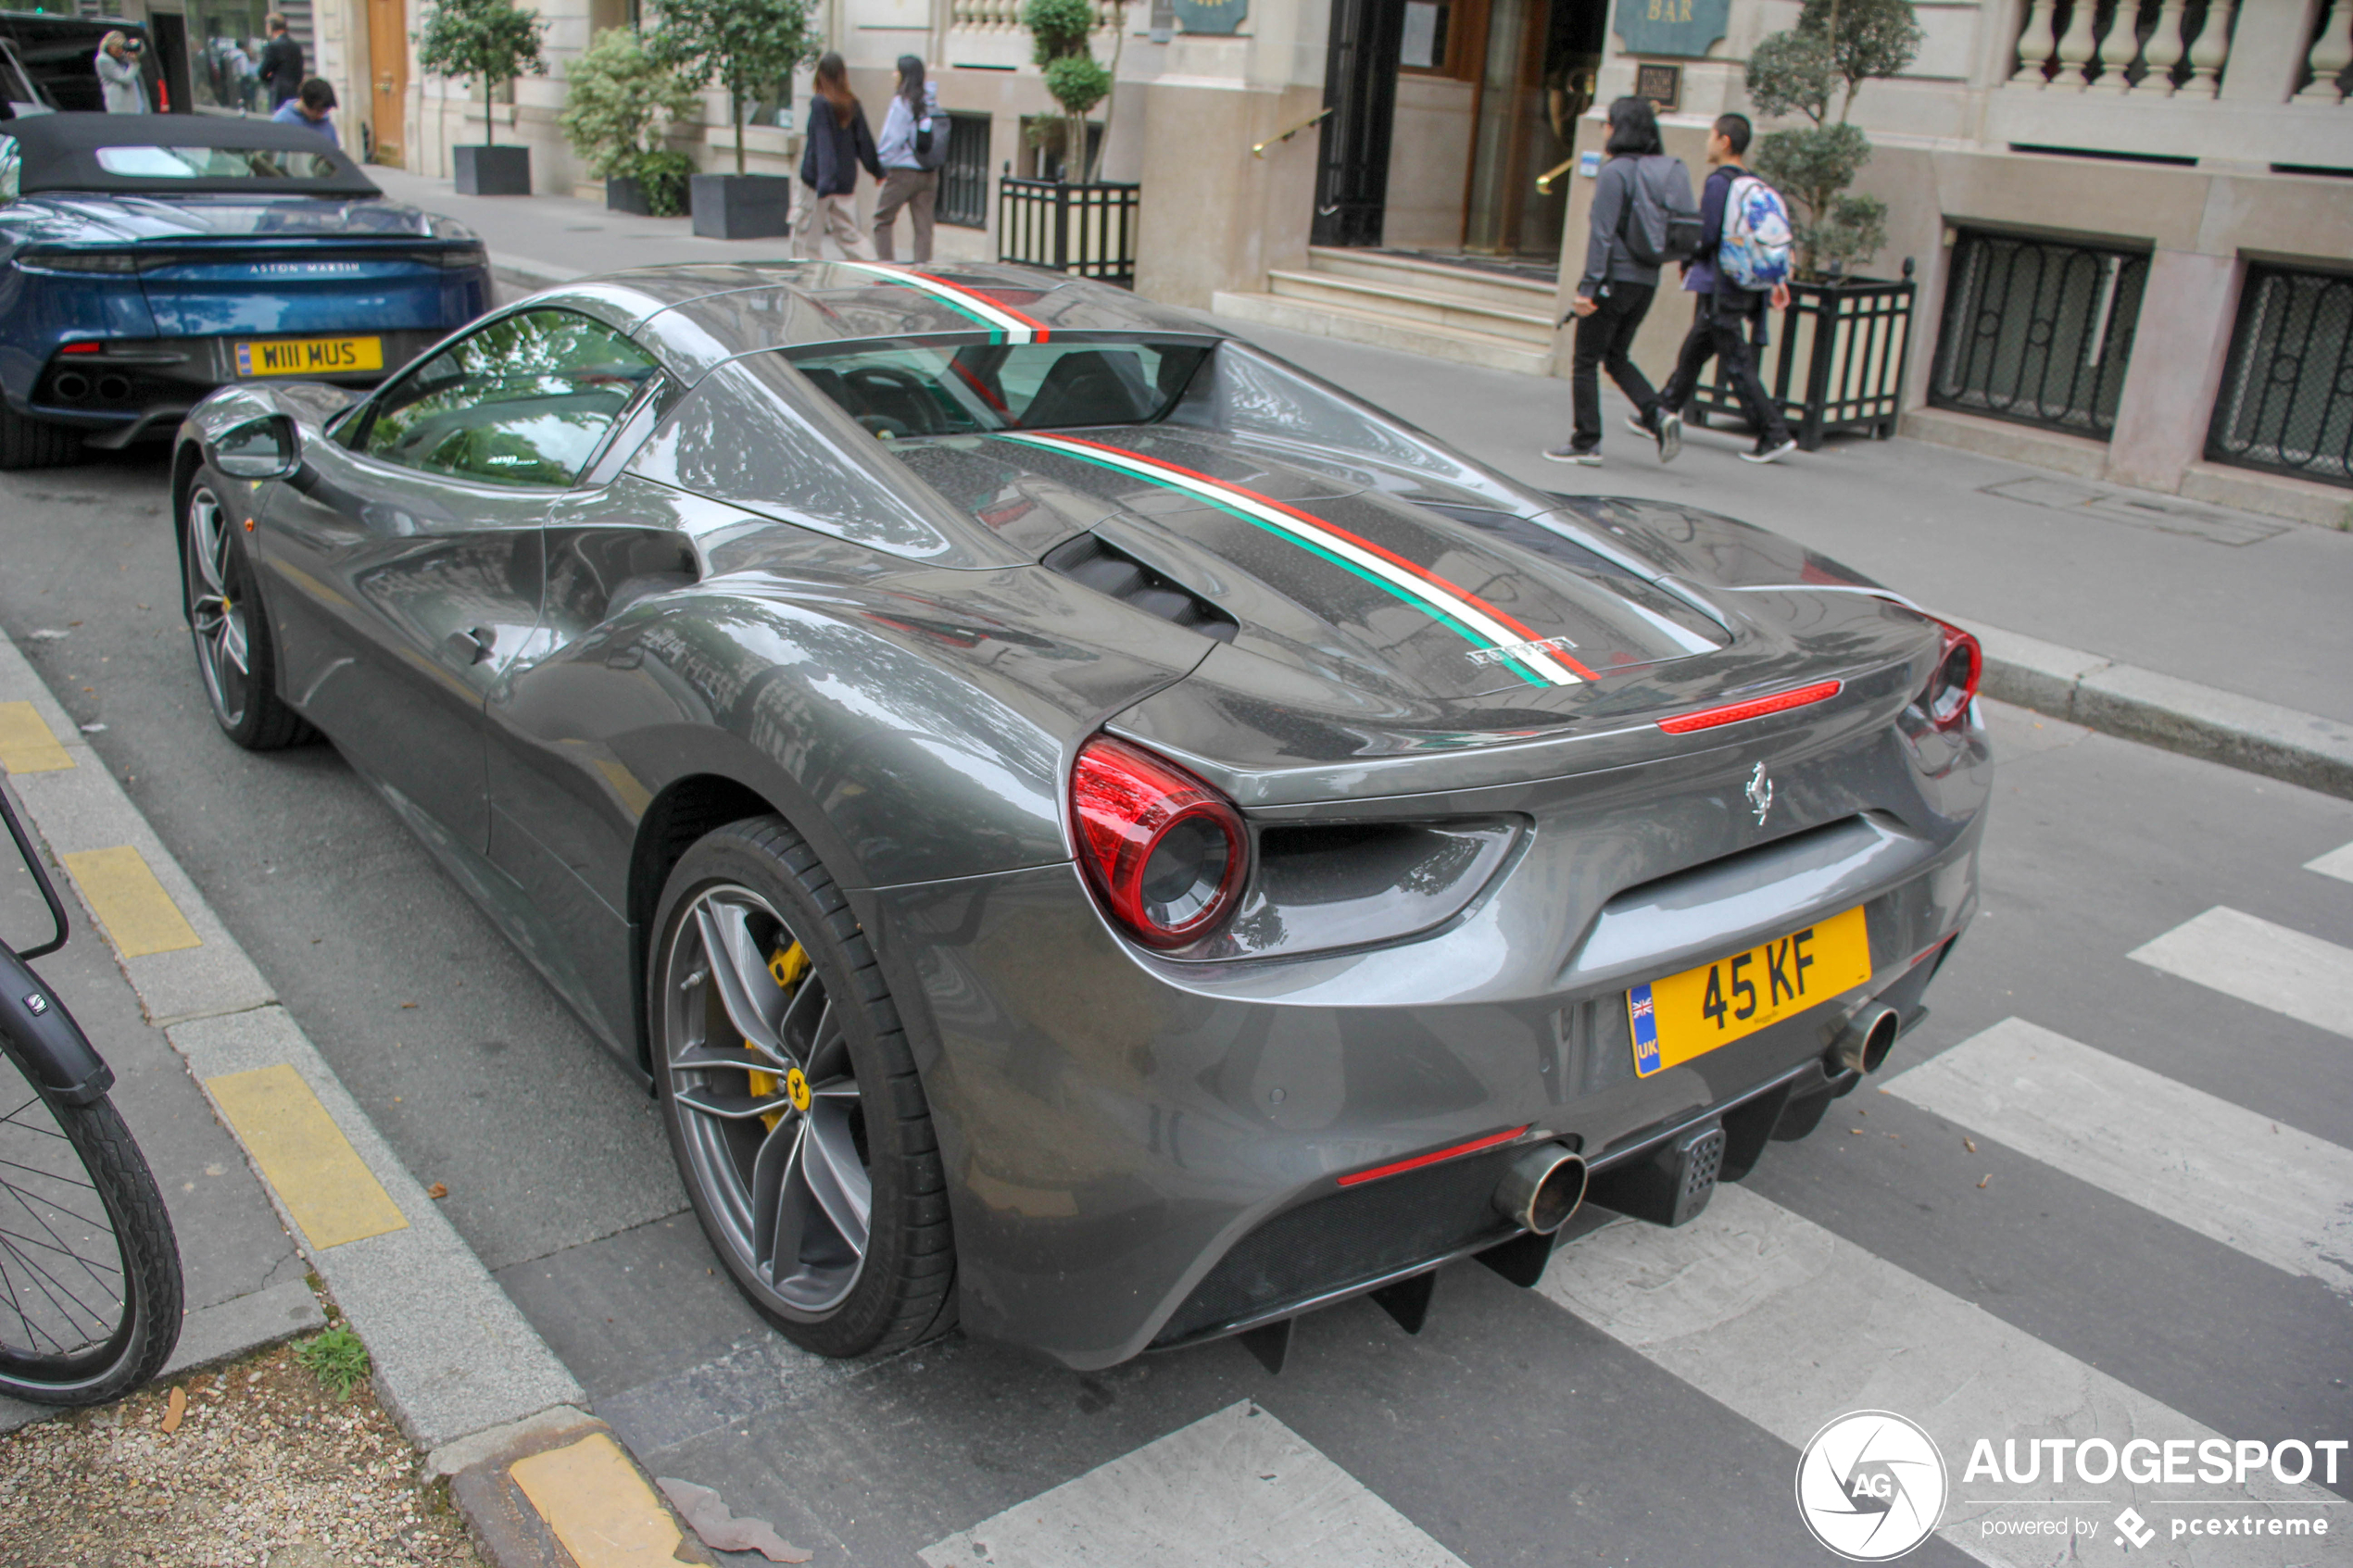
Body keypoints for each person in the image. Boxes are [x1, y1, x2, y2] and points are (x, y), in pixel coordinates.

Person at [1655, 112, 1800, 465]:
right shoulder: (1752, 183)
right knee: (1697, 347)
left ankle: (1773, 433)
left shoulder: (1720, 183)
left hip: (1723, 284)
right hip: (1743, 281)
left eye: (1711, 135)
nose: (1707, 142)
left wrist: (1687, 260)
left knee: (1736, 361)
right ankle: (1661, 411)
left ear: (1724, 142)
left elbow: (1707, 235)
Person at [1545, 96, 1682, 468]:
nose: (1605, 128)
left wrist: (1588, 288)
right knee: (1617, 355)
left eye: (1608, 122)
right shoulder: (1659, 172)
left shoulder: (1615, 171)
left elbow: (1601, 236)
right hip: (1646, 280)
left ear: (1618, 128)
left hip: (1612, 280)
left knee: (1586, 358)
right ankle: (1658, 415)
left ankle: (1586, 440)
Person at [795, 53, 883, 263]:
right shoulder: (852, 104)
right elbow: (865, 142)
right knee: (849, 236)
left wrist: (824, 183)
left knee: (806, 239)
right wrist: (877, 171)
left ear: (821, 75)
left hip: (818, 184)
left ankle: (806, 283)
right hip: (844, 182)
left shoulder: (820, 103)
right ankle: (875, 270)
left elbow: (823, 143)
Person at [873, 55, 941, 263]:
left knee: (882, 220)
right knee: (924, 228)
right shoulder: (931, 101)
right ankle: (924, 274)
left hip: (903, 171)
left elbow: (892, 138)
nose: (894, 74)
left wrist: (881, 165)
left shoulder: (902, 102)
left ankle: (887, 271)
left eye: (897, 71)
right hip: (929, 171)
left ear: (904, 75)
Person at [271, 78, 340, 147]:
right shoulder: (283, 121)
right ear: (303, 100)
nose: (321, 115)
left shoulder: (327, 126)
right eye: (318, 111)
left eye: (325, 111)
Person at [94, 31, 146, 115]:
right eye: (117, 47)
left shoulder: (121, 57)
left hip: (133, 105)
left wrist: (136, 45)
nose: (120, 51)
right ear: (109, 46)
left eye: (121, 48)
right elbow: (125, 79)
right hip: (119, 107)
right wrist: (134, 63)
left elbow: (140, 53)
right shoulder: (103, 60)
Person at [258, 14, 304, 110]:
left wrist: (271, 81)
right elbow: (299, 72)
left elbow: (262, 72)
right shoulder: (296, 46)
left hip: (278, 93)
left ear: (271, 27)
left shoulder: (273, 47)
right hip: (294, 93)